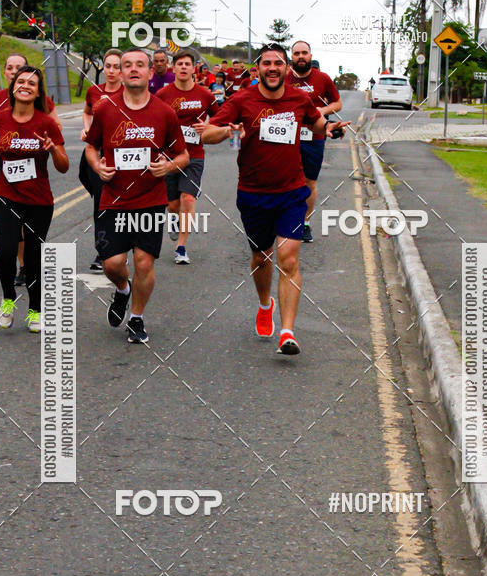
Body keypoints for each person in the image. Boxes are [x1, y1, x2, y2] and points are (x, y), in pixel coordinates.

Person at [202, 43, 349, 355]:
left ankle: (287, 332)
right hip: (253, 193)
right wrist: (228, 131)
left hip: (291, 192)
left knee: (290, 258)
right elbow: (207, 133)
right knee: (261, 257)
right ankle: (264, 303)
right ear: (259, 68)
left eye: (278, 63)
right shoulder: (242, 99)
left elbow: (315, 122)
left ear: (286, 69)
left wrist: (331, 128)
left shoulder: (299, 98)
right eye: (266, 63)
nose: (272, 68)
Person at [85, 48, 189, 344]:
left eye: (139, 65)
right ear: (119, 70)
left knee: (144, 263)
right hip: (114, 200)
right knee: (113, 264)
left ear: (149, 71)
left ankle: (137, 317)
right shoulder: (105, 110)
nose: (132, 69)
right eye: (126, 65)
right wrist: (97, 165)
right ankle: (122, 290)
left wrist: (168, 166)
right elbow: (91, 147)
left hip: (150, 200)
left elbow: (183, 155)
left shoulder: (163, 111)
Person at [0, 65, 68, 332]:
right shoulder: (2, 118)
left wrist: (53, 150)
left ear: (37, 92)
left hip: (39, 200)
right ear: (13, 87)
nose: (25, 86)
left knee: (33, 257)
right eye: (21, 81)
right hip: (7, 195)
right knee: (6, 252)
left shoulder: (46, 123)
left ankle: (35, 310)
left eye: (32, 83)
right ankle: (8, 299)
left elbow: (63, 166)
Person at [0, 53, 60, 286]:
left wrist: (43, 142)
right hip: (7, 164)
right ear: (6, 73)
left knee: (28, 225)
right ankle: (21, 265)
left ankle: (27, 267)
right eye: (10, 67)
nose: (15, 71)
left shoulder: (40, 101)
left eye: (19, 67)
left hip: (34, 166)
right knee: (12, 225)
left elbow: (56, 126)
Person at [157, 52, 218, 264]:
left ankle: (181, 247)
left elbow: (220, 118)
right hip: (169, 157)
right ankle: (174, 218)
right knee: (172, 205)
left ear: (194, 69)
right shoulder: (163, 94)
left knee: (188, 199)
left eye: (187, 64)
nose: (183, 67)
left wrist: (208, 126)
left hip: (194, 156)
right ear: (173, 68)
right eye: (179, 64)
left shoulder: (205, 95)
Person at [287, 40, 342, 243]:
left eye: (304, 53)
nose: (301, 56)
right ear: (291, 57)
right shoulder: (283, 77)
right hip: (286, 137)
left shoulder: (323, 78)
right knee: (285, 180)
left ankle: (305, 223)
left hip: (314, 137)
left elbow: (338, 102)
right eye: (297, 53)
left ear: (310, 55)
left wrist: (323, 111)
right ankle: (286, 219)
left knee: (309, 181)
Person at [80, 48, 123, 271]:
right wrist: (87, 129)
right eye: (109, 66)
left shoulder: (129, 92)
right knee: (100, 202)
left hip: (120, 155)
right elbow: (87, 112)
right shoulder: (94, 91)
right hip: (96, 153)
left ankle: (115, 248)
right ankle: (103, 250)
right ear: (103, 68)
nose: (112, 71)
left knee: (114, 204)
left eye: (117, 66)